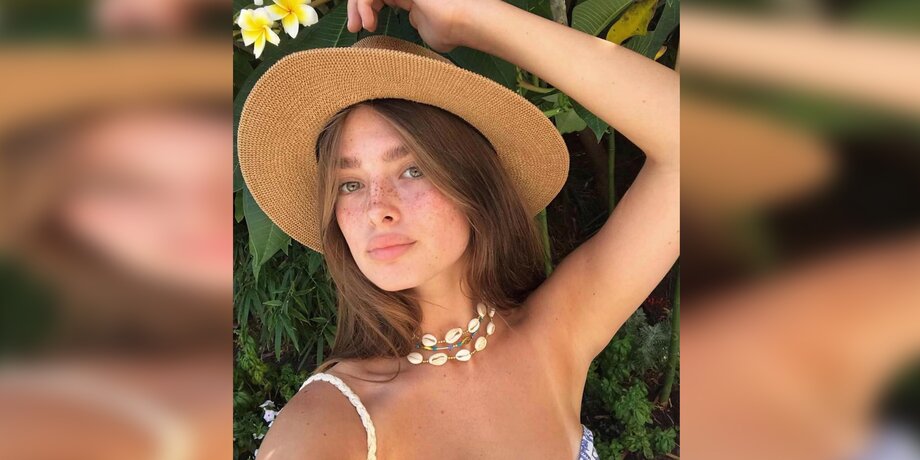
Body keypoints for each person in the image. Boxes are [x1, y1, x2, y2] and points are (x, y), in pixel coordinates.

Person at [237, 0, 679, 458]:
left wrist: (470, 16)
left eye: (412, 171)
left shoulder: (556, 333)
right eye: (350, 184)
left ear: (474, 183)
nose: (376, 209)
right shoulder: (330, 421)